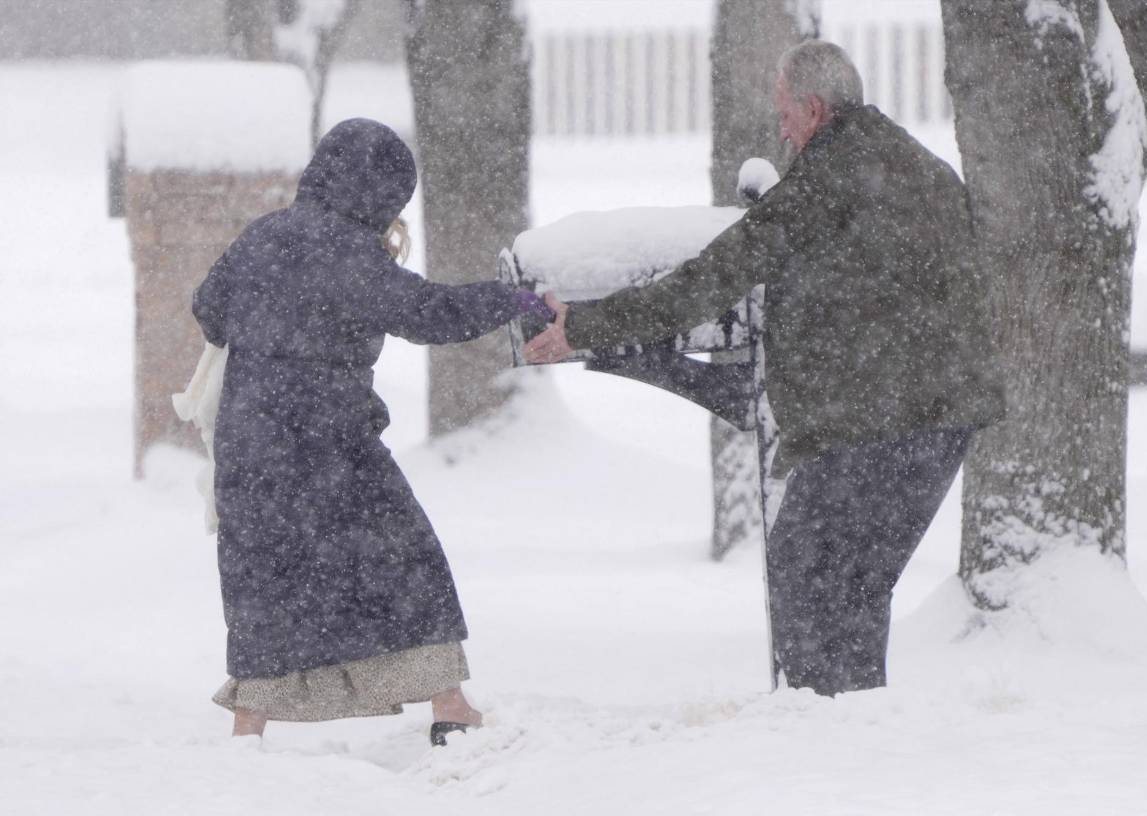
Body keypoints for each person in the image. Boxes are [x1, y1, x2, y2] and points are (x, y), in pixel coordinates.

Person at [525, 41, 1005, 695]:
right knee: (855, 586)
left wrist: (580, 326)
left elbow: (711, 278)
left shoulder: (829, 175)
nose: (780, 128)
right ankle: (852, 731)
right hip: (944, 420)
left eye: (784, 113)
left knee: (805, 573)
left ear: (813, 108)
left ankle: (816, 734)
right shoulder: (923, 168)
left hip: (878, 421)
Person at [193, 118, 550, 745]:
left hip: (248, 443)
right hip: (327, 441)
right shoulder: (349, 254)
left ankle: (247, 730)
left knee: (264, 579)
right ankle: (450, 703)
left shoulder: (264, 236)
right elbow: (430, 314)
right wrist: (516, 301)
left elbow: (208, 308)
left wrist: (270, 325)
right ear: (384, 197)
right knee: (405, 562)